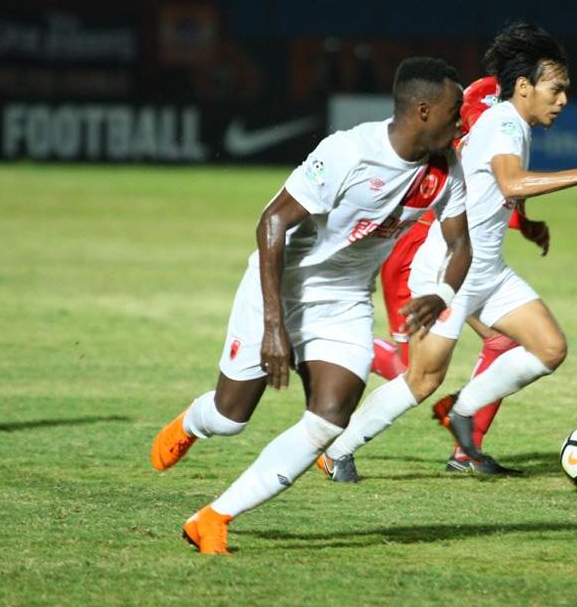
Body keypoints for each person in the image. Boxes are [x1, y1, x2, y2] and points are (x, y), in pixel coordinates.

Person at [148, 57, 472, 555]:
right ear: (423, 110)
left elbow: (461, 246)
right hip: (280, 284)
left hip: (343, 300)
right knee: (231, 417)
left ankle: (213, 518)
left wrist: (441, 294)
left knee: (330, 416)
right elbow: (271, 222)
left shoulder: (446, 169)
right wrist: (275, 327)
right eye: (455, 110)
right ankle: (195, 421)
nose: (461, 120)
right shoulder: (348, 152)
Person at [317, 22, 577, 477]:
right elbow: (509, 181)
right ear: (524, 87)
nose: (563, 100)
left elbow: (493, 192)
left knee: (549, 348)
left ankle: (463, 409)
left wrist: (524, 220)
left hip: (487, 270)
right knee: (421, 379)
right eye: (555, 90)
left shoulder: (512, 122)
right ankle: (337, 449)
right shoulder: (504, 124)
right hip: (449, 274)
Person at [338, 75, 543, 478]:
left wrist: (524, 221)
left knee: (498, 343)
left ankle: (467, 450)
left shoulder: (479, 134)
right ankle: (355, 359)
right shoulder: (461, 135)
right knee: (415, 373)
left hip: (460, 255)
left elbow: (484, 194)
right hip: (418, 251)